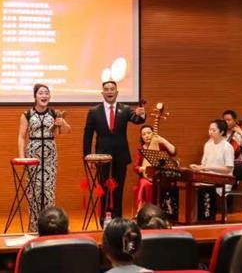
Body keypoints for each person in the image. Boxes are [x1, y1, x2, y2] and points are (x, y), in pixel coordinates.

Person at [83, 81, 146, 221]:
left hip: (120, 155)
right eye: (106, 89)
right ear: (102, 93)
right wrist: (87, 156)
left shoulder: (125, 109)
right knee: (103, 188)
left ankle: (118, 219)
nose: (109, 91)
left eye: (112, 89)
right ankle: (103, 218)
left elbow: (137, 120)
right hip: (101, 156)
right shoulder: (94, 111)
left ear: (117, 92)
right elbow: (88, 134)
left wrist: (142, 114)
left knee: (119, 188)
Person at [18, 83, 71, 232]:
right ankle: (34, 228)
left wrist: (62, 123)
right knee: (34, 193)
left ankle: (50, 228)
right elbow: (21, 137)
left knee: (48, 192)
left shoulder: (54, 113)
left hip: (50, 156)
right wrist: (22, 158)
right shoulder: (27, 114)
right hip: (33, 156)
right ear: (35, 96)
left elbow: (66, 131)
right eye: (41, 93)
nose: (44, 95)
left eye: (46, 93)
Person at [133, 125, 176, 211]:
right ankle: (142, 210)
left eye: (149, 133)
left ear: (153, 134)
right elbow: (135, 167)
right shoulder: (141, 150)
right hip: (146, 178)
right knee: (145, 183)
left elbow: (173, 151)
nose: (146, 136)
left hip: (161, 178)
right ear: (141, 137)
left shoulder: (160, 147)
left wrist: (163, 140)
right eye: (144, 134)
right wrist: (144, 168)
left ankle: (159, 211)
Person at [190, 119, 234, 193]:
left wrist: (207, 168)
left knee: (203, 189)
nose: (210, 132)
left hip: (222, 182)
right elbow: (204, 165)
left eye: (214, 130)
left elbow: (228, 169)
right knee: (192, 186)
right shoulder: (208, 145)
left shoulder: (227, 147)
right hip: (208, 179)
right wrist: (198, 168)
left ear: (222, 132)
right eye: (210, 129)